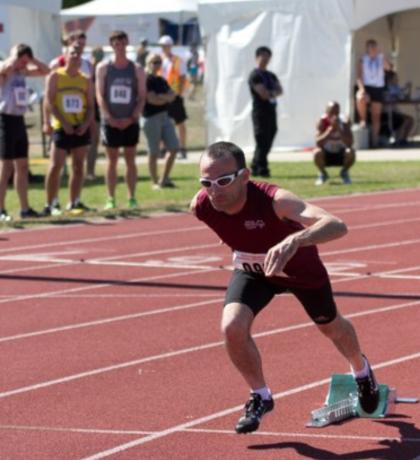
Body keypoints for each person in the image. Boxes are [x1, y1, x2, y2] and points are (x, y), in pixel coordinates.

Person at [190, 141, 380, 434]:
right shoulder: (201, 206)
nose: (214, 190)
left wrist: (295, 240)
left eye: (224, 181)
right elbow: (231, 228)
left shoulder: (276, 201)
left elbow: (337, 225)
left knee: (331, 327)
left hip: (298, 269)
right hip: (255, 272)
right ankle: (260, 396)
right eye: (206, 182)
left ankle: (362, 371)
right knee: (232, 327)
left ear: (245, 176)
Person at [96, 30, 146, 211]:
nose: (119, 47)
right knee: (112, 160)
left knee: (130, 159)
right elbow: (99, 95)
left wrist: (132, 117)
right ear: (112, 46)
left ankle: (132, 197)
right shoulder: (103, 68)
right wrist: (109, 117)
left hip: (130, 121)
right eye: (116, 44)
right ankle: (111, 198)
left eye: (122, 43)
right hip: (110, 121)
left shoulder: (136, 69)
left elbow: (141, 96)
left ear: (127, 44)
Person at [43, 45, 94, 216]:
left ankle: (74, 201)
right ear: (65, 56)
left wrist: (86, 124)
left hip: (79, 126)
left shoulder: (85, 80)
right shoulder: (55, 76)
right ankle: (51, 203)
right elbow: (50, 102)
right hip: (61, 126)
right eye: (72, 53)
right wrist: (62, 122)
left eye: (79, 54)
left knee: (78, 166)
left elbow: (91, 107)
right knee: (56, 165)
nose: (76, 56)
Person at [0, 44, 49, 221]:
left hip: (19, 120)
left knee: (22, 165)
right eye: (21, 61)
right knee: (5, 168)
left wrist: (31, 59)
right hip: (5, 119)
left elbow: (46, 71)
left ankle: (25, 208)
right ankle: (1, 209)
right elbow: (4, 68)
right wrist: (15, 57)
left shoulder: (23, 72)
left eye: (24, 62)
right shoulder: (6, 70)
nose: (23, 64)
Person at [142, 53, 179, 189]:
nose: (156, 64)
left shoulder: (161, 80)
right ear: (148, 63)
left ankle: (164, 179)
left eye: (158, 62)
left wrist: (161, 97)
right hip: (151, 118)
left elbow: (173, 95)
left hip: (165, 116)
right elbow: (151, 99)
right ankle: (154, 182)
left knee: (174, 148)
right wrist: (165, 97)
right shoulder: (146, 79)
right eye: (154, 62)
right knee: (153, 152)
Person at [248, 46, 283, 178]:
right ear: (257, 57)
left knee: (271, 135)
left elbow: (280, 90)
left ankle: (256, 164)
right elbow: (262, 94)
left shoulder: (271, 75)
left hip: (271, 110)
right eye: (262, 55)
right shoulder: (255, 75)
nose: (265, 58)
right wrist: (271, 93)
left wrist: (271, 93)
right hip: (260, 111)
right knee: (261, 138)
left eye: (267, 56)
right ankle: (262, 167)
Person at [356, 39, 391, 148]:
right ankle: (363, 119)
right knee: (360, 97)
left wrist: (383, 59)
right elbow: (359, 76)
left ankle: (374, 140)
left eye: (375, 47)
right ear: (367, 49)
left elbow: (388, 68)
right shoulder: (363, 60)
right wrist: (362, 89)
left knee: (376, 116)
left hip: (378, 87)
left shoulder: (380, 58)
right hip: (367, 86)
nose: (373, 50)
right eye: (371, 48)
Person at [158, 35, 188, 159]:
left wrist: (178, 94)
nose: (165, 48)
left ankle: (183, 147)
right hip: (163, 96)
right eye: (163, 46)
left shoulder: (177, 60)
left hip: (175, 96)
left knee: (180, 122)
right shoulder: (158, 60)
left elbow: (182, 78)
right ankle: (163, 148)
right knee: (162, 123)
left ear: (171, 46)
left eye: (166, 45)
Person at [313, 101, 356, 185]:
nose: (334, 115)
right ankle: (323, 174)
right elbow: (318, 143)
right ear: (327, 112)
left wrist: (340, 130)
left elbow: (350, 143)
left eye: (336, 112)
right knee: (316, 152)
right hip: (326, 154)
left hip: (341, 153)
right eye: (331, 112)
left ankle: (344, 172)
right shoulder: (322, 122)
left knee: (350, 152)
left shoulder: (344, 122)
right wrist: (329, 131)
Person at [86, 46, 105, 180]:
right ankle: (86, 171)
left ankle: (90, 171)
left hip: (96, 109)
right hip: (86, 107)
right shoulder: (88, 69)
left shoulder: (102, 70)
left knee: (94, 141)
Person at [382, 70, 414, 147]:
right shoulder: (386, 88)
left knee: (410, 119)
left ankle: (403, 139)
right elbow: (393, 96)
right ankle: (398, 140)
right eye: (395, 78)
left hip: (394, 112)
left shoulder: (395, 87)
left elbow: (403, 96)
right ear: (390, 79)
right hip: (387, 113)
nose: (397, 80)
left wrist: (408, 88)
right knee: (404, 120)